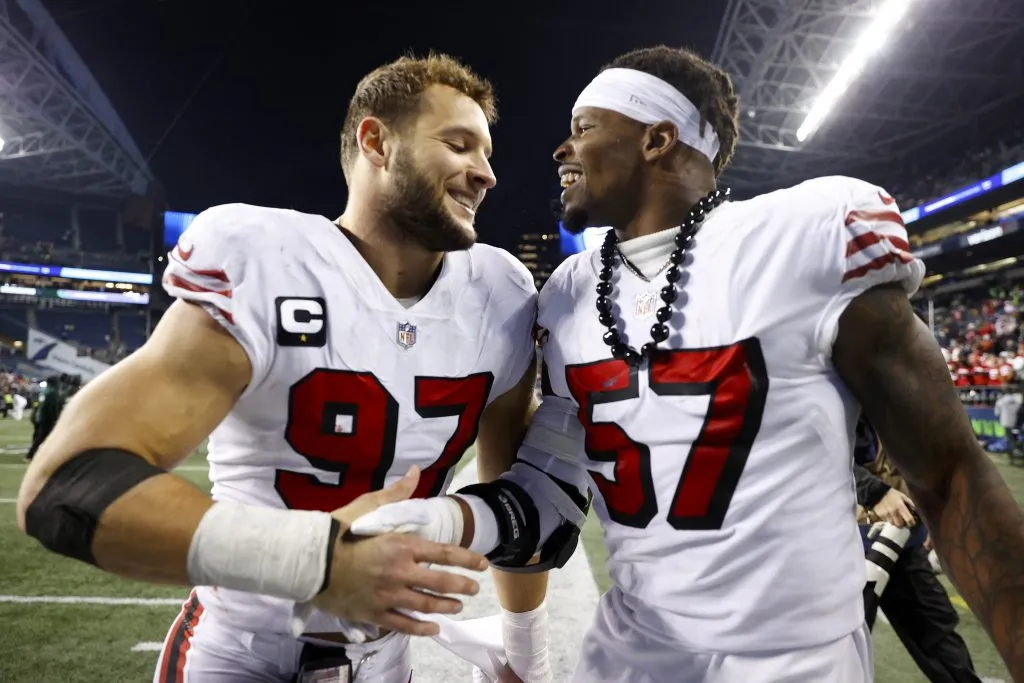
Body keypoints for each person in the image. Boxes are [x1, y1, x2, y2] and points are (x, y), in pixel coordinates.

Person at [352, 45, 1024, 682]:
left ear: (656, 139)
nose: (562, 147)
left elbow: (951, 474)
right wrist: (451, 521)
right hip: (630, 656)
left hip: (791, 664)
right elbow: (552, 490)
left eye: (583, 127)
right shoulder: (567, 294)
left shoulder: (804, 237)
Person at [16, 53, 550, 683]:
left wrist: (525, 650)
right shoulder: (267, 260)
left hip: (386, 658)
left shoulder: (500, 291)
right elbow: (67, 487)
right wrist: (317, 563)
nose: (485, 173)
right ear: (375, 141)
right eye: (458, 145)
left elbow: (519, 490)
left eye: (486, 153)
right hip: (239, 651)